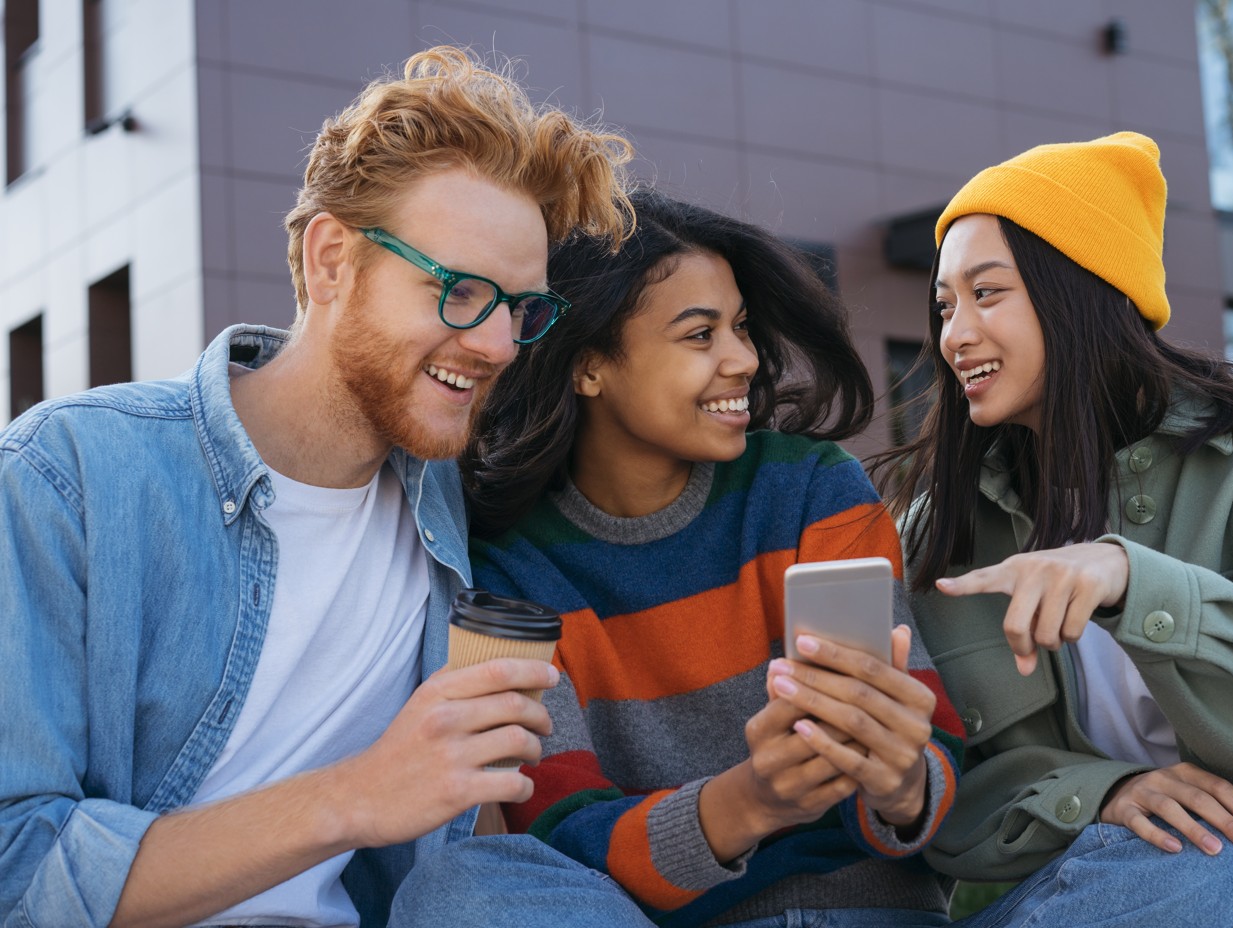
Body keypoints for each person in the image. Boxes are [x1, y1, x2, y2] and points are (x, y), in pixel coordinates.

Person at [0, 46, 641, 928]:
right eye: (459, 291)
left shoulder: (447, 503)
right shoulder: (68, 474)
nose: (496, 346)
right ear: (333, 260)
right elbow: (18, 873)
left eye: (520, 309)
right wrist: (356, 796)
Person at [874, 131, 1233, 927]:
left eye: (988, 294)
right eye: (945, 307)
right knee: (1201, 864)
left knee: (1226, 862)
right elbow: (946, 792)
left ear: (1080, 290)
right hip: (1091, 900)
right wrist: (1104, 795)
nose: (956, 335)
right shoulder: (940, 529)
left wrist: (1133, 583)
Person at [461, 190, 966, 927]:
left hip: (871, 913)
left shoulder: (812, 488)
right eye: (700, 336)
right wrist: (751, 801)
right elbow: (559, 840)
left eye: (741, 328)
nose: (744, 360)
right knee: (464, 885)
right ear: (588, 365)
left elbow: (940, 767)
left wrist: (903, 783)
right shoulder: (510, 567)